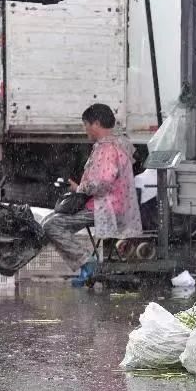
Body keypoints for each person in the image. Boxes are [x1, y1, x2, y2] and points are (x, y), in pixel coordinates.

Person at [42, 104, 142, 286]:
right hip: (112, 204)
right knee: (52, 220)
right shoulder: (118, 143)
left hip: (106, 207)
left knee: (52, 224)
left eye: (86, 124)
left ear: (96, 123)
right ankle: (86, 264)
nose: (85, 129)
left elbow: (102, 182)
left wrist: (80, 188)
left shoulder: (108, 148)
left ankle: (88, 264)